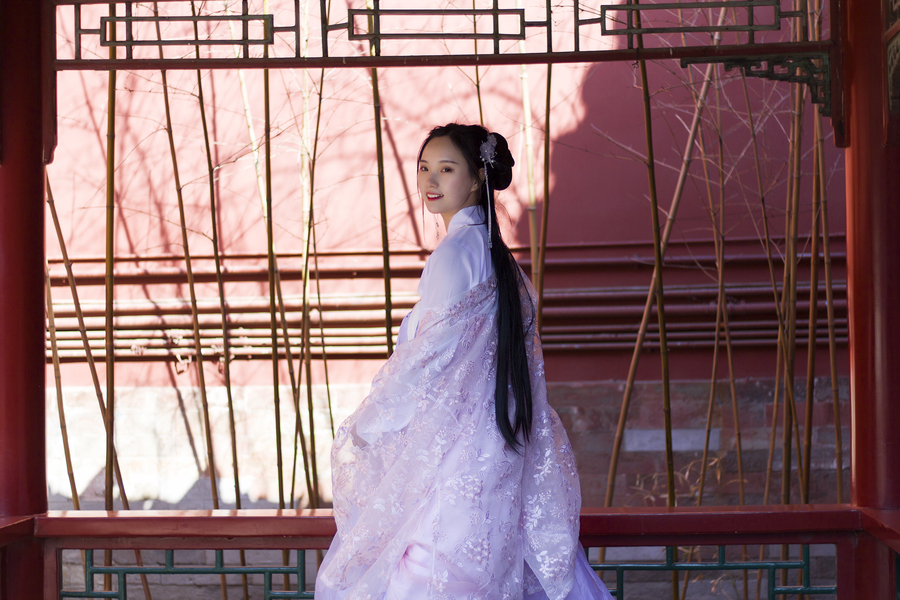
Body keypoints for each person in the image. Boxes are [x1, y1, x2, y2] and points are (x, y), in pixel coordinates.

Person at [315, 123, 614, 600]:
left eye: (446, 169)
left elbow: (426, 364)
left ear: (477, 179)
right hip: (498, 449)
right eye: (424, 168)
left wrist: (365, 427)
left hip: (455, 459)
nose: (430, 180)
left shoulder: (453, 254)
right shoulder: (499, 258)